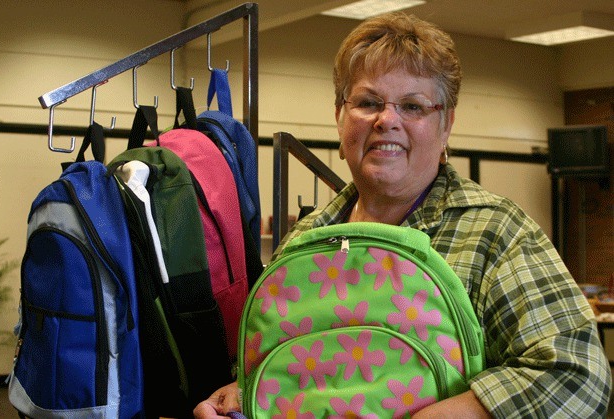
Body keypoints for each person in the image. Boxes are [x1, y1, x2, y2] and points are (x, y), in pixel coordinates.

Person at [193, 10, 612, 418]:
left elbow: (577, 375)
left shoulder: (495, 232)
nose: (386, 120)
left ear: (445, 124)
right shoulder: (308, 238)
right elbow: (287, 370)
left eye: (412, 106)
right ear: (339, 117)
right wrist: (242, 396)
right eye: (368, 102)